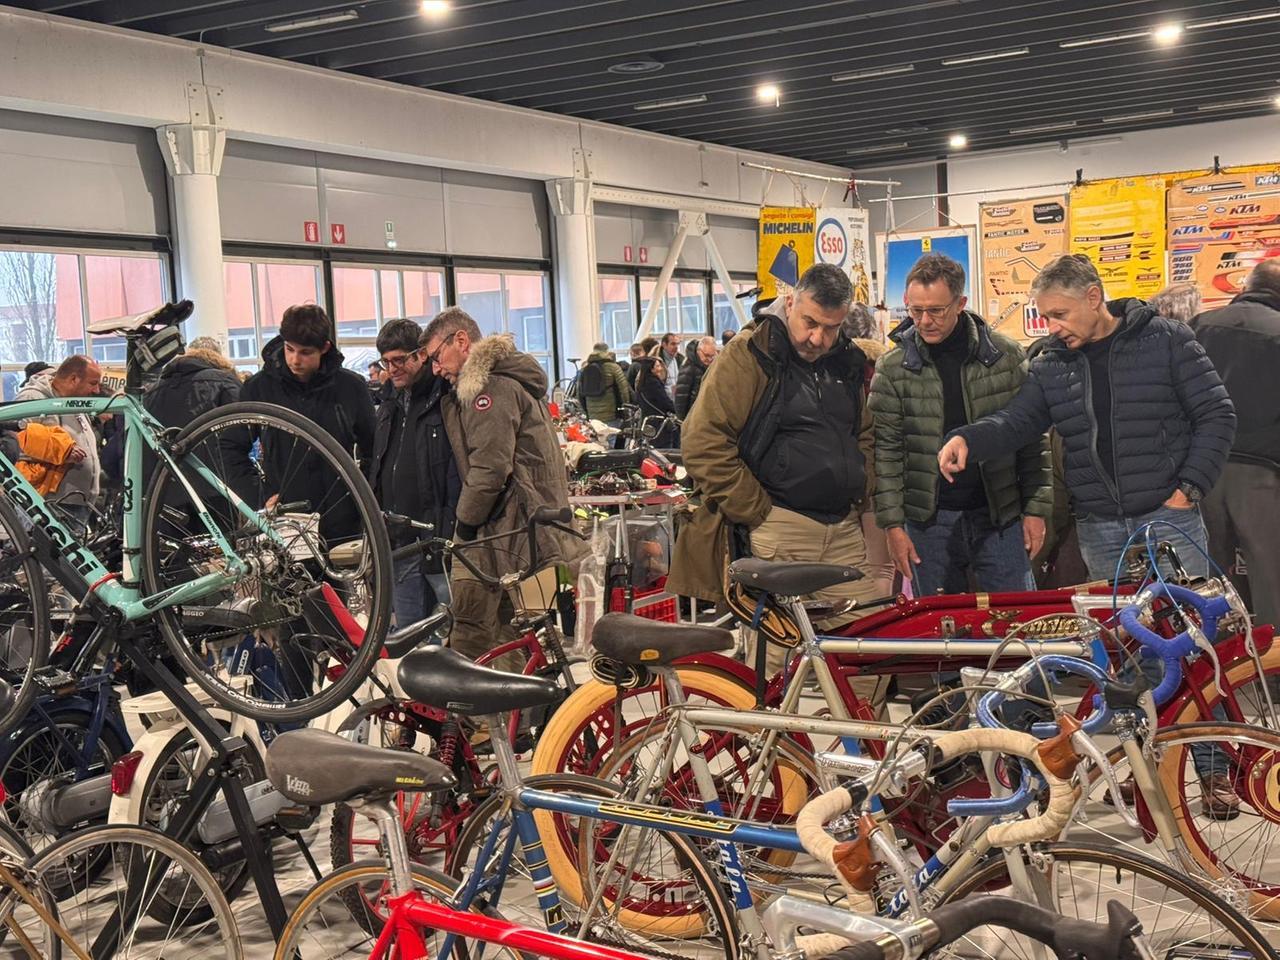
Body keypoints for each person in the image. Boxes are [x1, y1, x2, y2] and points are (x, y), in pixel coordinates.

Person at [937, 254, 1238, 818]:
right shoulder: (1052, 364)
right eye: (1045, 316)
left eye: (1059, 314)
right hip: (1102, 526)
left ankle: (1216, 773)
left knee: (1195, 649)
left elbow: (1217, 415)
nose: (1052, 326)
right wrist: (969, 439)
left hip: (1169, 519)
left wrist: (1188, 489)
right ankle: (1140, 766)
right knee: (1127, 658)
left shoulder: (1168, 341)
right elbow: (1019, 421)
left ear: (1095, 298)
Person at [669, 263, 883, 681]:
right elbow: (702, 441)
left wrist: (862, 484)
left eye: (831, 328)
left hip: (842, 531)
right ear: (790, 302)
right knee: (771, 668)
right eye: (810, 323)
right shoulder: (750, 355)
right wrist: (759, 512)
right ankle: (769, 746)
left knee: (868, 656)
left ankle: (859, 748)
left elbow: (864, 434)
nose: (817, 338)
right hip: (778, 529)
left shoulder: (847, 362)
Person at [869, 253, 1052, 595]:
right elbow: (887, 456)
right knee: (940, 636)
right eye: (915, 310)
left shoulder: (1006, 357)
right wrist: (893, 527)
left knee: (1016, 624)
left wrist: (1036, 510)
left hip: (1000, 516)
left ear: (960, 303)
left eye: (935, 310)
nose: (924, 321)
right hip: (928, 523)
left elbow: (1031, 441)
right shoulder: (892, 369)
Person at [420, 307, 583, 664]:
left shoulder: (489, 388)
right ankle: (527, 719)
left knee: (479, 636)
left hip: (506, 531)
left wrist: (464, 523)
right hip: (529, 530)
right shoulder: (514, 379)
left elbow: (490, 468)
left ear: (461, 340)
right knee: (525, 637)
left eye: (436, 356)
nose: (436, 368)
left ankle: (489, 721)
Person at [239, 304, 376, 542]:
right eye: (289, 348)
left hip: (342, 521)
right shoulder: (258, 388)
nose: (295, 360)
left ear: (324, 348)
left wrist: (358, 495)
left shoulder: (351, 388)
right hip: (282, 518)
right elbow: (231, 446)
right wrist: (258, 495)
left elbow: (374, 450)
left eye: (305, 352)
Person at [1192, 259, 1280, 629]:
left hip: (1202, 466)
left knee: (1207, 575)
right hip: (1262, 471)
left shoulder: (1199, 326)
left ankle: (1215, 666)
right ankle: (1273, 668)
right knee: (1270, 573)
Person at [369, 318, 459, 627]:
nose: (391, 368)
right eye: (386, 361)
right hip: (399, 540)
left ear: (420, 355)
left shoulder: (446, 397)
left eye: (399, 360)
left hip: (439, 538)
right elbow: (379, 466)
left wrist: (451, 524)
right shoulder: (388, 404)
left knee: (454, 636)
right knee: (409, 639)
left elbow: (457, 469)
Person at [15, 356, 103, 526]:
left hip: (76, 502)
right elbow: (16, 443)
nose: (97, 390)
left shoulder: (73, 402)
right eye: (93, 383)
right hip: (49, 503)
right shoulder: (33, 398)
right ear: (73, 379)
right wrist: (62, 450)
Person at [578, 341, 631, 425]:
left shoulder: (585, 369)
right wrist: (625, 410)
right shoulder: (614, 367)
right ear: (606, 351)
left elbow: (579, 393)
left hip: (592, 414)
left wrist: (585, 412)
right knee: (611, 436)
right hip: (611, 413)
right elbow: (623, 390)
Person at [631, 355, 679, 447]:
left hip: (649, 420)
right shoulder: (653, 383)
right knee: (663, 446)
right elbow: (664, 400)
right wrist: (676, 411)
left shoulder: (642, 382)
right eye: (657, 366)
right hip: (658, 422)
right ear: (651, 369)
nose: (660, 368)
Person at [674, 335, 717, 418]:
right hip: (693, 417)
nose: (709, 359)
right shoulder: (688, 368)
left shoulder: (710, 366)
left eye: (712, 356)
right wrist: (682, 422)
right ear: (698, 351)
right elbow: (681, 399)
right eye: (706, 355)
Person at [657, 332, 682, 398]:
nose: (676, 347)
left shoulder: (680, 359)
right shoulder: (656, 362)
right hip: (663, 402)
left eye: (677, 344)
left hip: (676, 401)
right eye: (673, 344)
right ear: (664, 345)